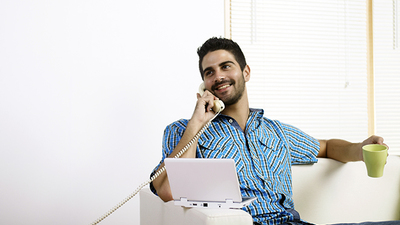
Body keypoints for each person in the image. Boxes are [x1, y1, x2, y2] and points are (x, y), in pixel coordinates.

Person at [150, 37, 393, 225]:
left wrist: (360, 150)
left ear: (246, 72)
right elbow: (168, 190)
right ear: (204, 84)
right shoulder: (184, 130)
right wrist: (197, 123)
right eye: (209, 72)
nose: (219, 76)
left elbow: (327, 146)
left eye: (226, 66)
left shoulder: (276, 131)